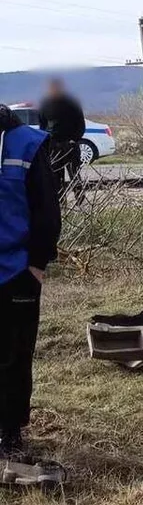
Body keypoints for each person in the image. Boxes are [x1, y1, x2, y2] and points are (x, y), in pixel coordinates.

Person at [0, 105, 62, 459]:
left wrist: (37, 265)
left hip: (16, 272)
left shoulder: (26, 145)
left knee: (13, 356)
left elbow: (46, 212)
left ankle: (9, 433)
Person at [38, 77, 85, 190]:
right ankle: (61, 204)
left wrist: (74, 140)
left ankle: (81, 203)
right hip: (53, 146)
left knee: (75, 175)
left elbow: (80, 124)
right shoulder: (45, 104)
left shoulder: (72, 103)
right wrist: (46, 141)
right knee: (56, 178)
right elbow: (42, 125)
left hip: (70, 145)